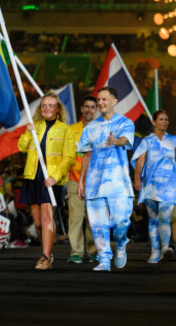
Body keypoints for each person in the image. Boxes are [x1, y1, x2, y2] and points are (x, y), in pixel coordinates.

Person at [77, 87, 135, 272]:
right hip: (94, 184)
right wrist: (81, 181)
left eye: (104, 99)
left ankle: (120, 244)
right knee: (97, 224)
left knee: (121, 222)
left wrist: (116, 141)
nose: (100, 103)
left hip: (119, 185)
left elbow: (125, 140)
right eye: (98, 100)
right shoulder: (90, 128)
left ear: (114, 101)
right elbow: (86, 155)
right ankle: (104, 260)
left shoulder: (126, 123)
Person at [18, 91, 75, 270]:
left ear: (57, 109)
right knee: (37, 223)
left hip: (50, 180)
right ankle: (47, 250)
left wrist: (55, 177)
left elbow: (69, 158)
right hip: (32, 177)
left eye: (51, 105)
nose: (47, 109)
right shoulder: (35, 126)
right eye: (44, 106)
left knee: (46, 215)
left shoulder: (66, 129)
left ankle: (44, 258)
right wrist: (28, 133)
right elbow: (21, 147)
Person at [132, 110, 176, 263]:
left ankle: (165, 247)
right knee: (153, 219)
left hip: (169, 185)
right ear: (154, 122)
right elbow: (140, 161)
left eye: (167, 119)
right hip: (151, 185)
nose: (165, 122)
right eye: (161, 119)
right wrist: (137, 177)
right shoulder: (147, 141)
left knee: (165, 216)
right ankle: (155, 251)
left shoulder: (173, 140)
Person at [66, 95, 98, 264]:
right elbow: (67, 156)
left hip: (95, 182)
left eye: (92, 107)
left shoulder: (102, 130)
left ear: (96, 110)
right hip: (74, 179)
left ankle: (93, 251)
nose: (89, 110)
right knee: (76, 217)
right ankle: (76, 252)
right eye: (86, 106)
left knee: (94, 218)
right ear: (81, 109)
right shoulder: (71, 130)